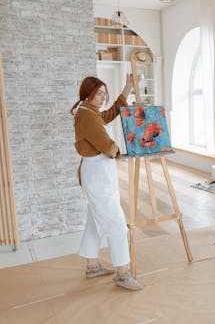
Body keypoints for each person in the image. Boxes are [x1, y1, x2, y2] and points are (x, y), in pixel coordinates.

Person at [70, 74, 143, 291]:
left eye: (104, 93)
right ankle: (123, 273)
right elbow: (107, 145)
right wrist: (128, 151)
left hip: (98, 174)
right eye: (99, 94)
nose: (103, 98)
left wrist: (128, 87)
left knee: (95, 221)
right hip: (97, 177)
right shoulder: (87, 116)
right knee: (117, 225)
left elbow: (110, 114)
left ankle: (92, 266)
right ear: (88, 93)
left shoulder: (89, 112)